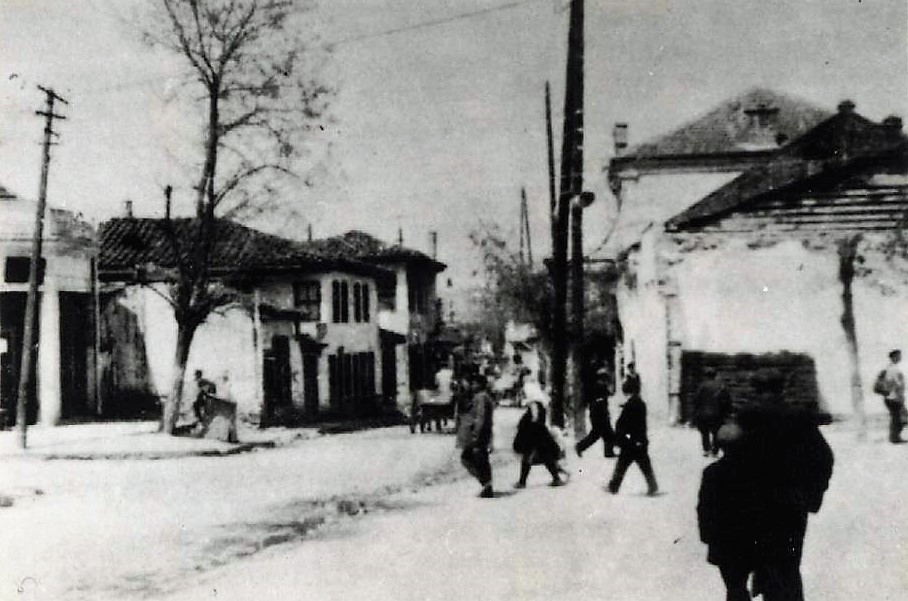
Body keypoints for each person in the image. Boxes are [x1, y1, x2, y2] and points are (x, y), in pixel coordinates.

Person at [698, 371, 834, 601]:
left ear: (754, 388)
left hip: (753, 510)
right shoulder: (799, 418)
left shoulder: (745, 418)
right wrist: (811, 495)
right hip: (791, 508)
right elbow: (824, 458)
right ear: (782, 387)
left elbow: (731, 464)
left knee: (757, 566)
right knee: (786, 572)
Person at [607, 385, 659, 496]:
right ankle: (653, 485)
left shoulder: (630, 405)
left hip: (630, 441)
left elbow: (622, 422)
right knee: (645, 465)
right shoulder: (641, 403)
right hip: (640, 440)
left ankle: (613, 486)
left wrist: (620, 436)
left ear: (628, 393)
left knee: (621, 465)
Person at [456, 370, 496, 498]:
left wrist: (476, 434)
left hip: (478, 435)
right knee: (476, 459)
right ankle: (486, 484)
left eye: (474, 384)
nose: (472, 386)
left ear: (480, 384)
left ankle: (487, 485)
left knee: (473, 459)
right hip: (480, 434)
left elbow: (481, 417)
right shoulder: (481, 396)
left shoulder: (481, 397)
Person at [512, 401, 569, 488]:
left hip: (534, 432)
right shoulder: (538, 404)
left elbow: (535, 418)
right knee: (542, 455)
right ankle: (556, 478)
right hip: (537, 431)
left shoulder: (534, 403)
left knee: (532, 455)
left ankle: (522, 482)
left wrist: (529, 427)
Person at [576, 367, 617, 458]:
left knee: (606, 434)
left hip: (599, 414)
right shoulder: (599, 387)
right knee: (599, 434)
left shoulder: (600, 386)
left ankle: (608, 452)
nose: (606, 380)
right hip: (599, 415)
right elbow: (598, 402)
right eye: (605, 378)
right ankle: (580, 446)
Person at [692, 367, 732, 457]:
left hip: (703, 413)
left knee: (704, 433)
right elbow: (726, 400)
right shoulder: (721, 386)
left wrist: (696, 412)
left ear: (705, 376)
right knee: (716, 432)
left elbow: (696, 400)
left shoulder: (701, 386)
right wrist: (726, 412)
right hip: (717, 414)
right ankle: (715, 451)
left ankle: (706, 449)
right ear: (715, 375)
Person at [878, 349, 906, 444]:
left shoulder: (889, 368)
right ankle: (894, 438)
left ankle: (894, 437)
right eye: (899, 356)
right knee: (898, 417)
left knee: (897, 417)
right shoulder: (893, 369)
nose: (900, 357)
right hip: (893, 397)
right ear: (894, 357)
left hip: (891, 397)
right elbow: (896, 383)